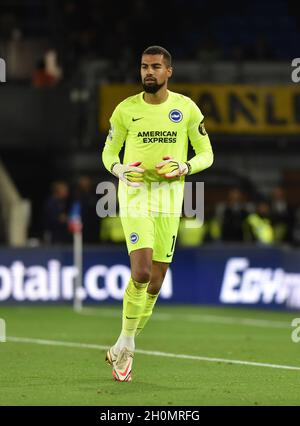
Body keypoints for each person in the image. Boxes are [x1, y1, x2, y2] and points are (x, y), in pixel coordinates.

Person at [101, 45, 214, 382]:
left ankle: (126, 344)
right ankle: (127, 342)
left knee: (157, 280)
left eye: (155, 67)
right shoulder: (125, 110)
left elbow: (207, 153)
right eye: (143, 67)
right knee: (142, 271)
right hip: (135, 195)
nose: (148, 72)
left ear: (169, 72)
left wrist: (186, 165)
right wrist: (119, 169)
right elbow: (108, 152)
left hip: (170, 197)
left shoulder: (186, 109)